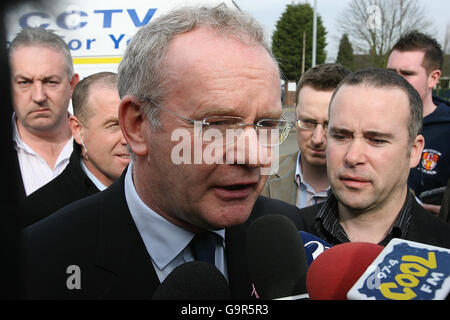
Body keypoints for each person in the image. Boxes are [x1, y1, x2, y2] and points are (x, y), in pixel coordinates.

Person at [21, 4, 304, 299]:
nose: (255, 156)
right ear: (136, 125)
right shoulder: (38, 261)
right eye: (219, 124)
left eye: (266, 124)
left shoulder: (293, 234)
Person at [298, 68, 450, 249]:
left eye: (376, 140)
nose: (352, 157)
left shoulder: (443, 250)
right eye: (341, 136)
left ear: (415, 150)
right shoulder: (290, 237)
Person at [19, 72, 129, 228]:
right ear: (77, 130)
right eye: (113, 125)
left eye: (134, 123)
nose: (128, 139)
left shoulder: (166, 197)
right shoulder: (36, 215)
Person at [262, 63, 350, 208]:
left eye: (329, 125)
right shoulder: (263, 176)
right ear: (296, 111)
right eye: (308, 122)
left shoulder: (364, 186)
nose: (317, 139)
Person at [9, 27, 79, 197]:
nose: (39, 96)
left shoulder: (102, 146)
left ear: (72, 85)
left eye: (50, 82)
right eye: (24, 82)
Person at [387, 31, 450, 214]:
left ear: (434, 78)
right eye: (391, 72)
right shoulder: (367, 122)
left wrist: (444, 214)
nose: (396, 80)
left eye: (407, 73)